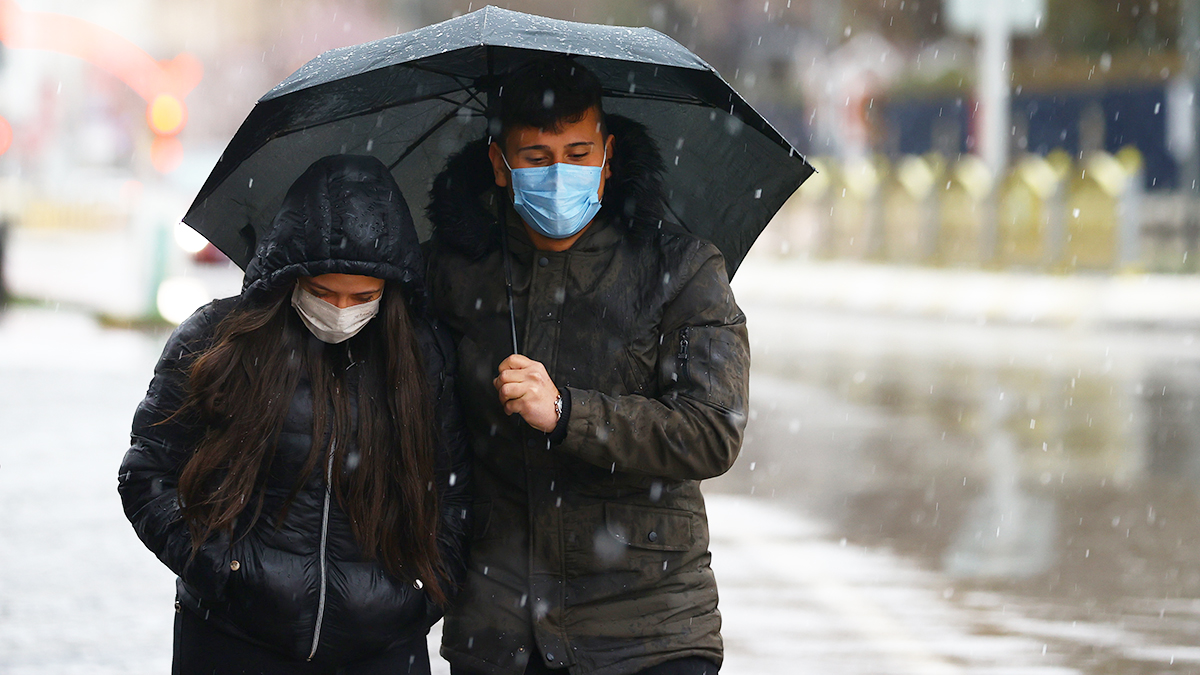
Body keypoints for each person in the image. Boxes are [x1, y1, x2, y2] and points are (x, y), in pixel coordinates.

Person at [425, 57, 750, 675]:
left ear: (607, 157)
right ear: (499, 163)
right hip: (501, 631)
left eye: (578, 154)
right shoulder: (452, 271)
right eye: (537, 157)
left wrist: (568, 413)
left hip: (650, 631)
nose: (559, 175)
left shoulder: (680, 270)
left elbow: (712, 430)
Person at [118, 155, 470, 674]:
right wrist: (221, 570)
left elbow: (454, 494)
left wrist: (418, 594)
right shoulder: (216, 340)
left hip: (380, 646)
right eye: (323, 292)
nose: (342, 310)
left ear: (391, 289)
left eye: (364, 296)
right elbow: (148, 472)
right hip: (233, 639)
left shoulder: (424, 358)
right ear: (291, 276)